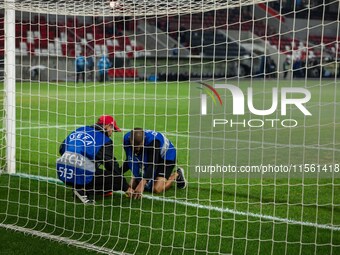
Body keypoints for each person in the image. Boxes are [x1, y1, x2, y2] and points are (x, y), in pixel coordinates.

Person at [56, 115, 134, 204]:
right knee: (116, 179)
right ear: (108, 126)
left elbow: (61, 149)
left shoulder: (81, 129)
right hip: (79, 173)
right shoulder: (104, 139)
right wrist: (125, 186)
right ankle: (81, 190)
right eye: (112, 129)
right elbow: (111, 165)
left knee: (91, 163)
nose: (111, 133)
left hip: (63, 171)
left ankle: (81, 186)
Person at [123, 128, 187, 199]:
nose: (136, 149)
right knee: (132, 185)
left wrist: (142, 183)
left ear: (144, 140)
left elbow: (153, 164)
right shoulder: (126, 139)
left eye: (139, 146)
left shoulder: (153, 142)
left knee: (156, 188)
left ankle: (176, 174)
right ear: (130, 140)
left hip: (166, 157)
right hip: (151, 155)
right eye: (134, 146)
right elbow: (129, 159)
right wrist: (117, 173)